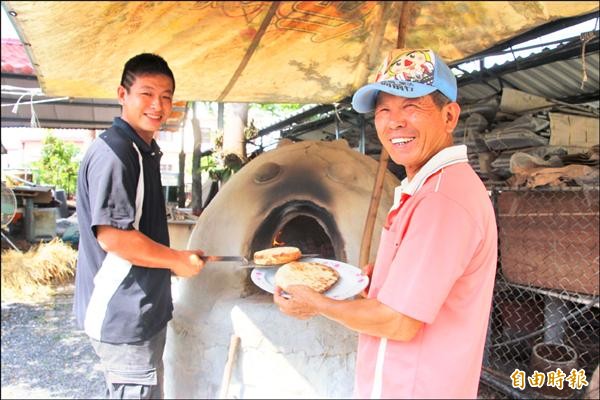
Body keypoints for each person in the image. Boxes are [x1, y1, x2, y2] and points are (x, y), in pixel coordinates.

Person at [274, 48, 497, 399]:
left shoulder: (442, 198)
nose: (395, 122)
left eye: (412, 107)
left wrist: (318, 304)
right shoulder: (426, 187)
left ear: (449, 116)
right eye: (384, 110)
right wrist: (385, 279)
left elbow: (399, 322)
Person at [74, 53, 205, 399]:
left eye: (165, 96)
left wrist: (177, 255)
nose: (157, 105)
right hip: (123, 314)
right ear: (122, 94)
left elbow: (138, 228)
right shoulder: (116, 153)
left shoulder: (141, 148)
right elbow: (114, 237)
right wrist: (176, 261)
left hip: (139, 309)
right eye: (146, 93)